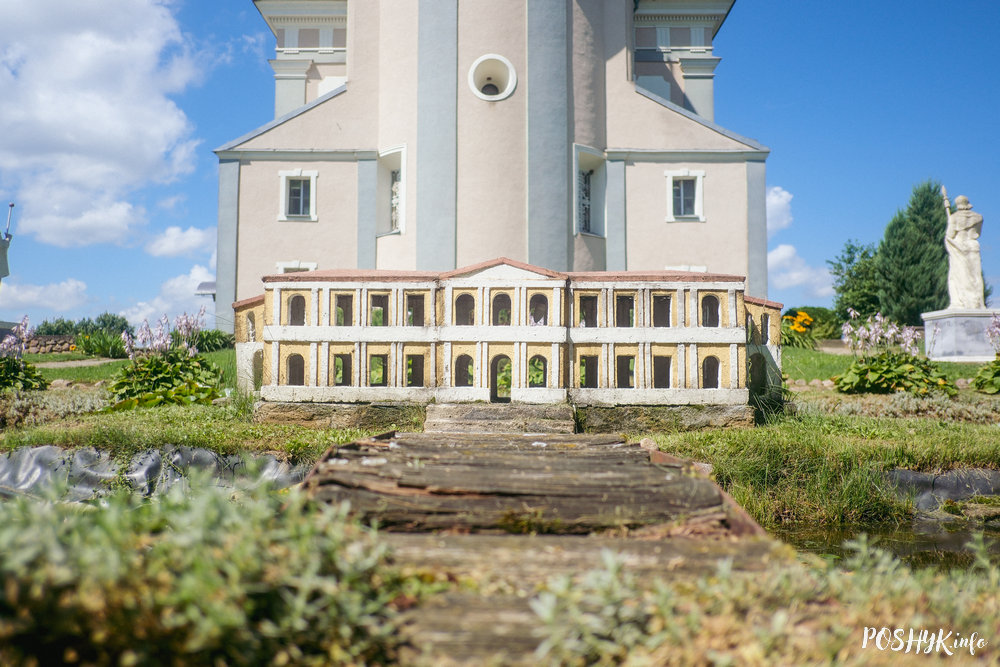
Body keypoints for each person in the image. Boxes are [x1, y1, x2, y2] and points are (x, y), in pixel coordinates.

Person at [945, 194, 985, 309]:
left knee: (959, 275)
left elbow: (950, 235)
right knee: (975, 277)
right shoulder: (978, 217)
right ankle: (976, 302)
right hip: (972, 246)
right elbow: (977, 233)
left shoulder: (954, 218)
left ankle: (960, 302)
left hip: (959, 246)